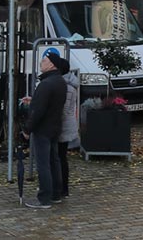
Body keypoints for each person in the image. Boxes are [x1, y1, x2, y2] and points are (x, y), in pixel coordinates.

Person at [22, 49, 68, 209]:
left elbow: (38, 111)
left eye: (44, 61)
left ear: (51, 65)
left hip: (43, 129)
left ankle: (44, 198)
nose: (41, 62)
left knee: (43, 163)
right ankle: (56, 193)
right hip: (55, 127)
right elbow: (48, 104)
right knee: (54, 161)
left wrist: (27, 129)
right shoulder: (60, 82)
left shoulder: (46, 84)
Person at [58, 56, 79, 199]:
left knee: (60, 157)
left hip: (63, 127)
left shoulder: (67, 88)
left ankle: (63, 188)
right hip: (65, 125)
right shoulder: (68, 84)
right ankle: (62, 187)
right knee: (61, 157)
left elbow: (63, 111)